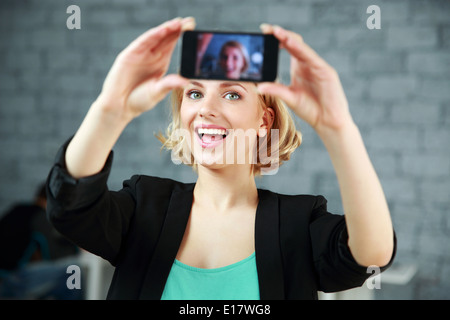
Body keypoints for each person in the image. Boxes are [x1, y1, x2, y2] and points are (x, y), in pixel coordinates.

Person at [45, 17, 396, 300]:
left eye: (231, 94)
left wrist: (337, 128)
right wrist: (110, 109)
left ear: (264, 121)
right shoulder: (143, 204)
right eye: (195, 92)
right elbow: (70, 206)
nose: (206, 110)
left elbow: (371, 257)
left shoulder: (299, 222)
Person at [0, 183, 81, 299]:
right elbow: (56, 255)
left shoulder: (17, 209)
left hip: (6, 279)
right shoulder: (41, 217)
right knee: (73, 270)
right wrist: (78, 245)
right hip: (12, 281)